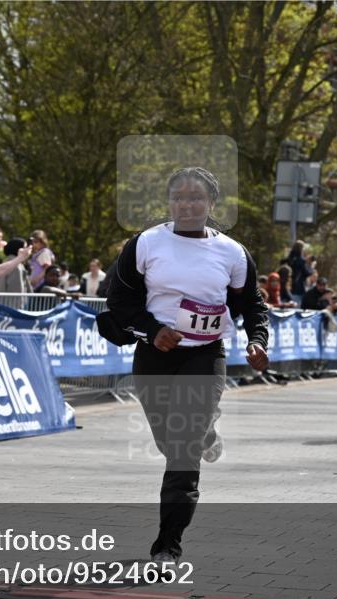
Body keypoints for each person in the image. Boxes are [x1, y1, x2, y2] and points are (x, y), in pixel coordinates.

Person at [106, 167, 269, 565]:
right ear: (169, 202)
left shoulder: (231, 252)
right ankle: (208, 434)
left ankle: (168, 544)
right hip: (155, 351)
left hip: (205, 354)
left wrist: (256, 339)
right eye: (179, 196)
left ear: (212, 204)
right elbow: (120, 301)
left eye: (196, 197)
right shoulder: (145, 244)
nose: (187, 204)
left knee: (181, 451)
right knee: (167, 439)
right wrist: (151, 329)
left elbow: (252, 304)